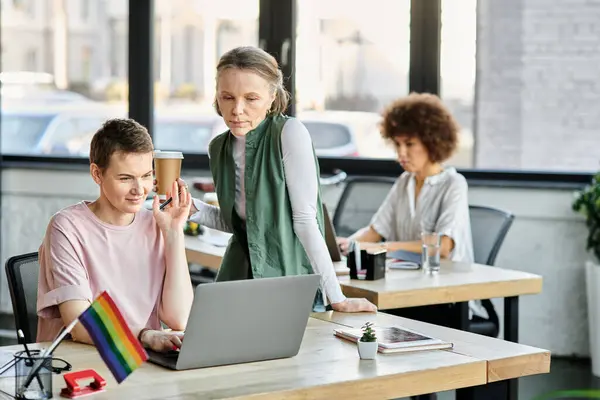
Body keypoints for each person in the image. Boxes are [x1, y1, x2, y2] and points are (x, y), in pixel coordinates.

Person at [173, 46, 376, 313]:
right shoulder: (218, 148)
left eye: (251, 98)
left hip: (287, 277)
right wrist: (186, 206)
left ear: (271, 97)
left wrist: (336, 297)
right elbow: (240, 223)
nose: (237, 109)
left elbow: (305, 221)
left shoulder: (289, 133)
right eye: (227, 97)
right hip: (239, 278)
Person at [37, 118, 193, 353]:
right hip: (83, 360)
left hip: (141, 358)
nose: (139, 189)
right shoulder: (67, 227)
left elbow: (179, 318)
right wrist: (145, 335)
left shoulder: (156, 223)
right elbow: (79, 324)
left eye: (146, 176)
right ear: (97, 174)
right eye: (125, 178)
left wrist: (173, 233)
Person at [336, 93, 489, 324]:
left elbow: (444, 247)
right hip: (405, 293)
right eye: (397, 144)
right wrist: (348, 244)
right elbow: (375, 230)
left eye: (410, 144)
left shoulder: (453, 184)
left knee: (373, 319)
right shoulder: (404, 182)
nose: (401, 154)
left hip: (446, 299)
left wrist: (382, 247)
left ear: (432, 142)